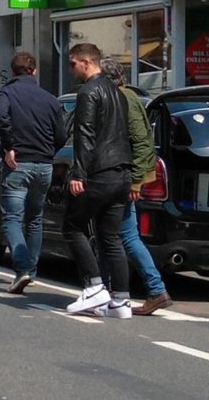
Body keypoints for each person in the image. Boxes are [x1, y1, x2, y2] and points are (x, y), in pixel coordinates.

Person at [64, 43, 134, 318]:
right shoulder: (118, 93)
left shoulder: (89, 91)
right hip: (122, 173)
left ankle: (94, 287)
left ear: (86, 62)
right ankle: (121, 300)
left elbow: (85, 135)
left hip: (99, 172)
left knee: (72, 227)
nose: (72, 69)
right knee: (110, 236)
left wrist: (78, 173)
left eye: (72, 64)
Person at [99, 59, 173, 316]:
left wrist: (136, 180)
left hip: (124, 176)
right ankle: (111, 290)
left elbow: (141, 140)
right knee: (114, 234)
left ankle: (152, 289)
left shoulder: (123, 99)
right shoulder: (126, 96)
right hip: (124, 175)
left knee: (121, 236)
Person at [0, 52, 66, 294]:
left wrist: (9, 147)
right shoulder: (50, 99)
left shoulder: (6, 93)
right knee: (35, 219)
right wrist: (48, 152)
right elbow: (61, 135)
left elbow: (2, 117)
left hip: (18, 164)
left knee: (13, 219)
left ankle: (22, 268)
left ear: (13, 71)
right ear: (34, 71)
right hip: (44, 165)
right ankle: (31, 272)